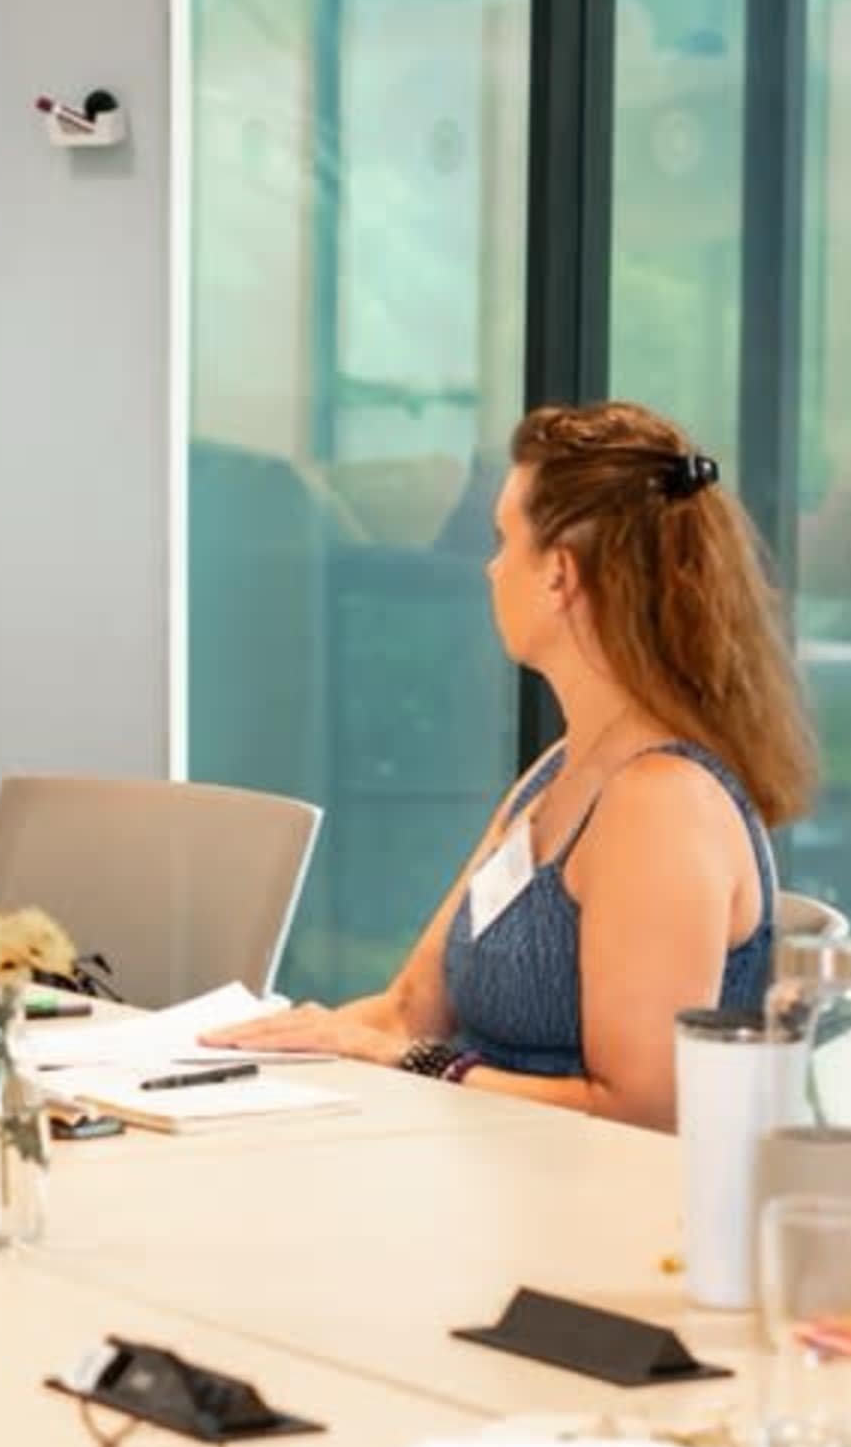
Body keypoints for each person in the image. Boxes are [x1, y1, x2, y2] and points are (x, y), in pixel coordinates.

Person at [206, 402, 814, 1131]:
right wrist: (244, 1055)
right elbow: (407, 1009)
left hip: (601, 1219)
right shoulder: (561, 767)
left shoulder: (662, 803)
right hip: (495, 1179)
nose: (491, 568)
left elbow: (643, 1111)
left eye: (503, 541)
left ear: (558, 575)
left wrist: (414, 1064)